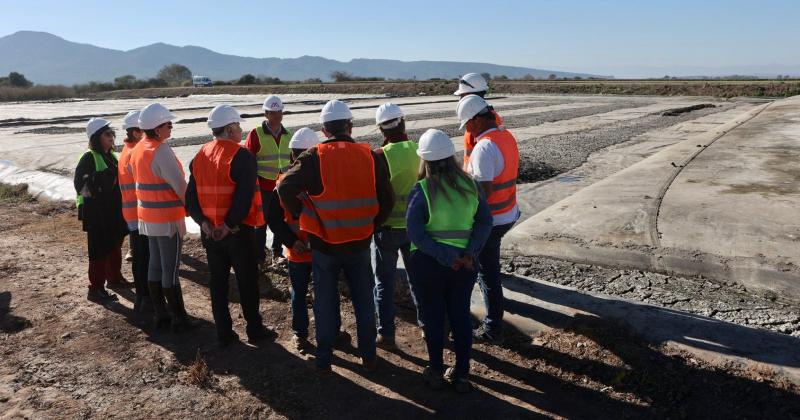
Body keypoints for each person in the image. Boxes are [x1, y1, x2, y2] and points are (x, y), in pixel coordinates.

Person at [278, 100, 394, 372]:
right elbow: (387, 199)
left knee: (326, 303)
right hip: (359, 242)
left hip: (324, 244)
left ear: (324, 129)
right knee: (364, 301)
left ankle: (324, 358)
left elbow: (285, 189)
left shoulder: (313, 157)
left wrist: (301, 213)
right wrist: (373, 224)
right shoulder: (370, 156)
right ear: (350, 126)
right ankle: (368, 356)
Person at [407, 128, 492, 393]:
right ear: (451, 156)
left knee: (433, 318)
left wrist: (447, 256)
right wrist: (468, 253)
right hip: (464, 267)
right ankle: (463, 375)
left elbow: (415, 232)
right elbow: (485, 222)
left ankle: (435, 370)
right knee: (460, 316)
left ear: (425, 160)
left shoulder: (421, 190)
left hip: (429, 264)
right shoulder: (471, 185)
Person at [185, 105, 270, 346]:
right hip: (236, 232)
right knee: (247, 282)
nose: (241, 130)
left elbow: (190, 197)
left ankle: (224, 332)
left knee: (218, 282)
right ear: (230, 128)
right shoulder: (242, 156)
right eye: (238, 126)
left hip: (210, 233)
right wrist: (228, 224)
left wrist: (203, 223)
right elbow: (243, 198)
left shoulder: (200, 155)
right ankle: (254, 329)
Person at [457, 95, 520, 344]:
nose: (467, 130)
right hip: (508, 213)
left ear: (477, 119)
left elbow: (482, 193)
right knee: (488, 270)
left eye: (468, 124)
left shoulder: (484, 147)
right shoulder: (505, 136)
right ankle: (492, 322)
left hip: (491, 221)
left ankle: (493, 328)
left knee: (486, 273)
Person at [130, 103, 194, 332]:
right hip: (167, 219)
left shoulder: (139, 148)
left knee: (155, 265)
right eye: (169, 124)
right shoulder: (161, 151)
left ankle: (161, 314)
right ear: (157, 129)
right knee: (170, 269)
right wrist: (193, 209)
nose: (171, 128)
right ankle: (179, 317)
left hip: (147, 218)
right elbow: (180, 186)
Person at [371, 103, 423, 349]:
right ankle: (428, 327)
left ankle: (387, 334)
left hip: (386, 229)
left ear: (382, 129)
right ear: (402, 123)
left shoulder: (380, 156)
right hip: (415, 228)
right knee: (418, 280)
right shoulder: (419, 150)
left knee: (384, 282)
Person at [75, 118, 130, 302]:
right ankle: (96, 288)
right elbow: (81, 185)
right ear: (96, 137)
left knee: (114, 245)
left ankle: (114, 278)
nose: (112, 137)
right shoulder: (89, 157)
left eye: (112, 133)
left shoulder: (111, 156)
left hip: (113, 212)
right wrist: (108, 177)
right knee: (99, 250)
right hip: (97, 214)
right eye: (107, 134)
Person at [244, 95, 292, 269]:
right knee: (260, 223)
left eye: (278, 111)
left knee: (281, 220)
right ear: (266, 113)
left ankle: (277, 253)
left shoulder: (288, 134)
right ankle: (259, 257)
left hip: (282, 186)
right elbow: (248, 161)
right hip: (262, 186)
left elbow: (293, 161)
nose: (276, 115)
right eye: (272, 112)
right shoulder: (256, 134)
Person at [118, 111, 151, 312]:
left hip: (133, 214)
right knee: (143, 259)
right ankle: (145, 298)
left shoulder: (127, 149)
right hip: (140, 215)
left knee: (140, 258)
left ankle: (142, 297)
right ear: (137, 132)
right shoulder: (134, 153)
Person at [453, 73, 504, 170]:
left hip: (479, 176)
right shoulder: (490, 115)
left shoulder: (477, 121)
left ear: (470, 95)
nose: (460, 99)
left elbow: (483, 157)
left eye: (462, 95)